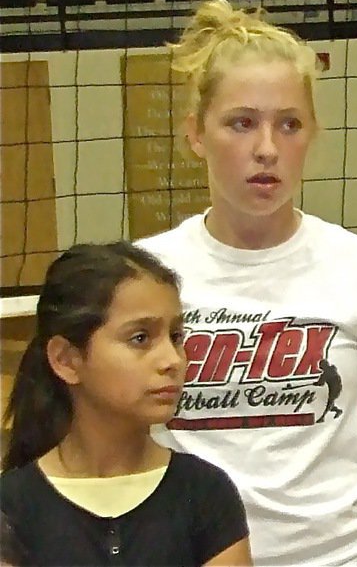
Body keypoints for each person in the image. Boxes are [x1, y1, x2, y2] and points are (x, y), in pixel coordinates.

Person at [138, 0, 357, 566]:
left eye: (289, 124)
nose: (266, 148)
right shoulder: (142, 277)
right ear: (196, 136)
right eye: (241, 122)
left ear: (311, 135)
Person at [0, 242, 250, 566]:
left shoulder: (206, 493)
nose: (172, 360)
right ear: (66, 360)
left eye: (176, 336)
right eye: (140, 338)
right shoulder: (13, 506)